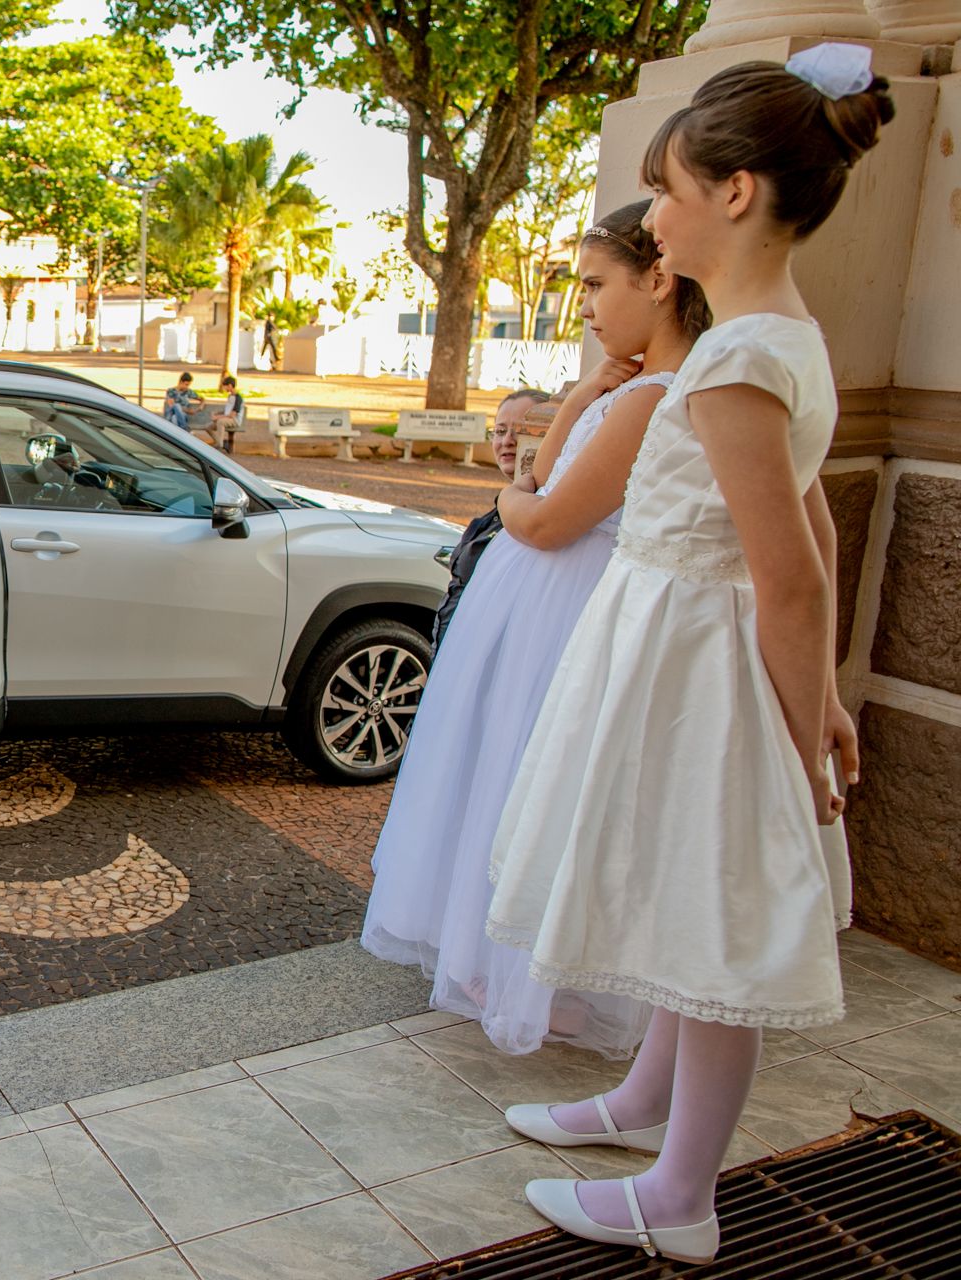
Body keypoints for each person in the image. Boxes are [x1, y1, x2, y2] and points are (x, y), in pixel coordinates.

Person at [488, 47, 885, 1264]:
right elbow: (807, 515)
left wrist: (799, 714)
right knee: (678, 898)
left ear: (738, 193)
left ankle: (682, 1194)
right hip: (676, 642)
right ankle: (638, 1103)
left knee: (712, 921)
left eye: (665, 191)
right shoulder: (779, 336)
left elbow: (793, 569)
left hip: (701, 661)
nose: (652, 216)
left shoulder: (734, 359)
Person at [360, 199, 709, 1060]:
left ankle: (541, 981)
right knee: (501, 771)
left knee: (533, 773)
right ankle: (496, 959)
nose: (584, 305)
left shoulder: (659, 396)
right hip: (535, 601)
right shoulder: (621, 389)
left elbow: (547, 514)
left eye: (596, 285)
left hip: (566, 604)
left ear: (659, 281)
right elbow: (543, 471)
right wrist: (584, 394)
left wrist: (512, 506)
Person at [429, 387, 550, 647]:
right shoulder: (498, 510)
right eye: (500, 430)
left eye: (521, 431)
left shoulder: (540, 513)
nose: (507, 440)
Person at [205, 374, 246, 452]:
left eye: (225, 386)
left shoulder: (238, 398)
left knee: (220, 422)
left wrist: (217, 417)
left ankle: (219, 444)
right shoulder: (230, 396)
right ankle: (221, 442)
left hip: (234, 420)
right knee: (208, 427)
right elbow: (227, 411)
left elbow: (232, 415)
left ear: (230, 385)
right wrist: (217, 413)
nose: (224, 388)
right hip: (227, 418)